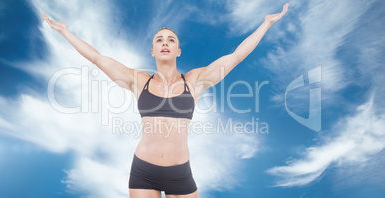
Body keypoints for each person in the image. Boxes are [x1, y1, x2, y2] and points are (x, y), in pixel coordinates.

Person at [41, 3, 289, 198]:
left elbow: (236, 56)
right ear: (152, 51)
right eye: (159, 40)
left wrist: (266, 23)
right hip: (143, 172)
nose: (165, 43)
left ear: (179, 50)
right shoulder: (139, 80)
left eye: (171, 39)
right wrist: (65, 32)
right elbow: (96, 58)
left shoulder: (195, 80)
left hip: (180, 173)